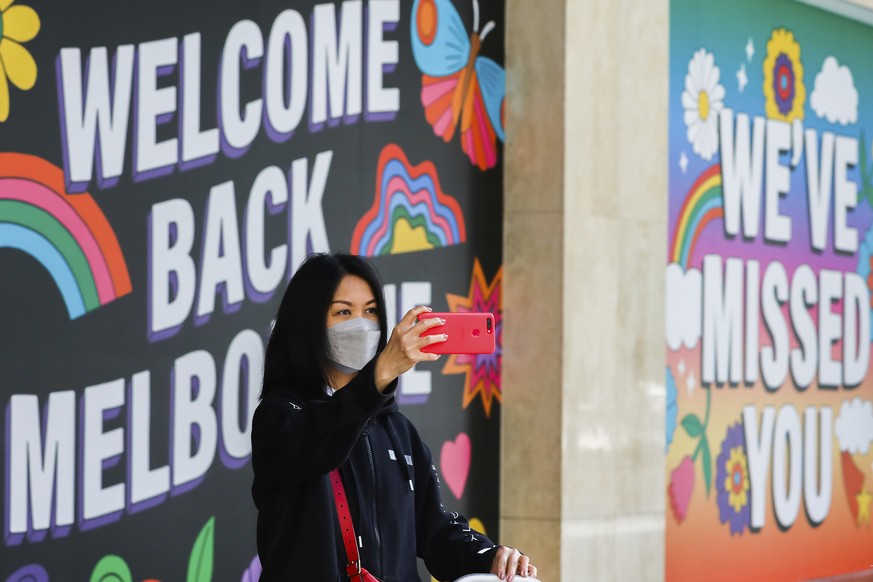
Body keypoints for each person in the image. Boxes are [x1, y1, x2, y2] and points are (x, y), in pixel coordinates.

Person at [252, 252, 537, 582]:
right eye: (343, 312)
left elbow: (437, 534)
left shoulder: (397, 429)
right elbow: (318, 444)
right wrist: (380, 374)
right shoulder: (281, 417)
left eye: (371, 311)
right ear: (309, 322)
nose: (361, 325)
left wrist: (492, 557)